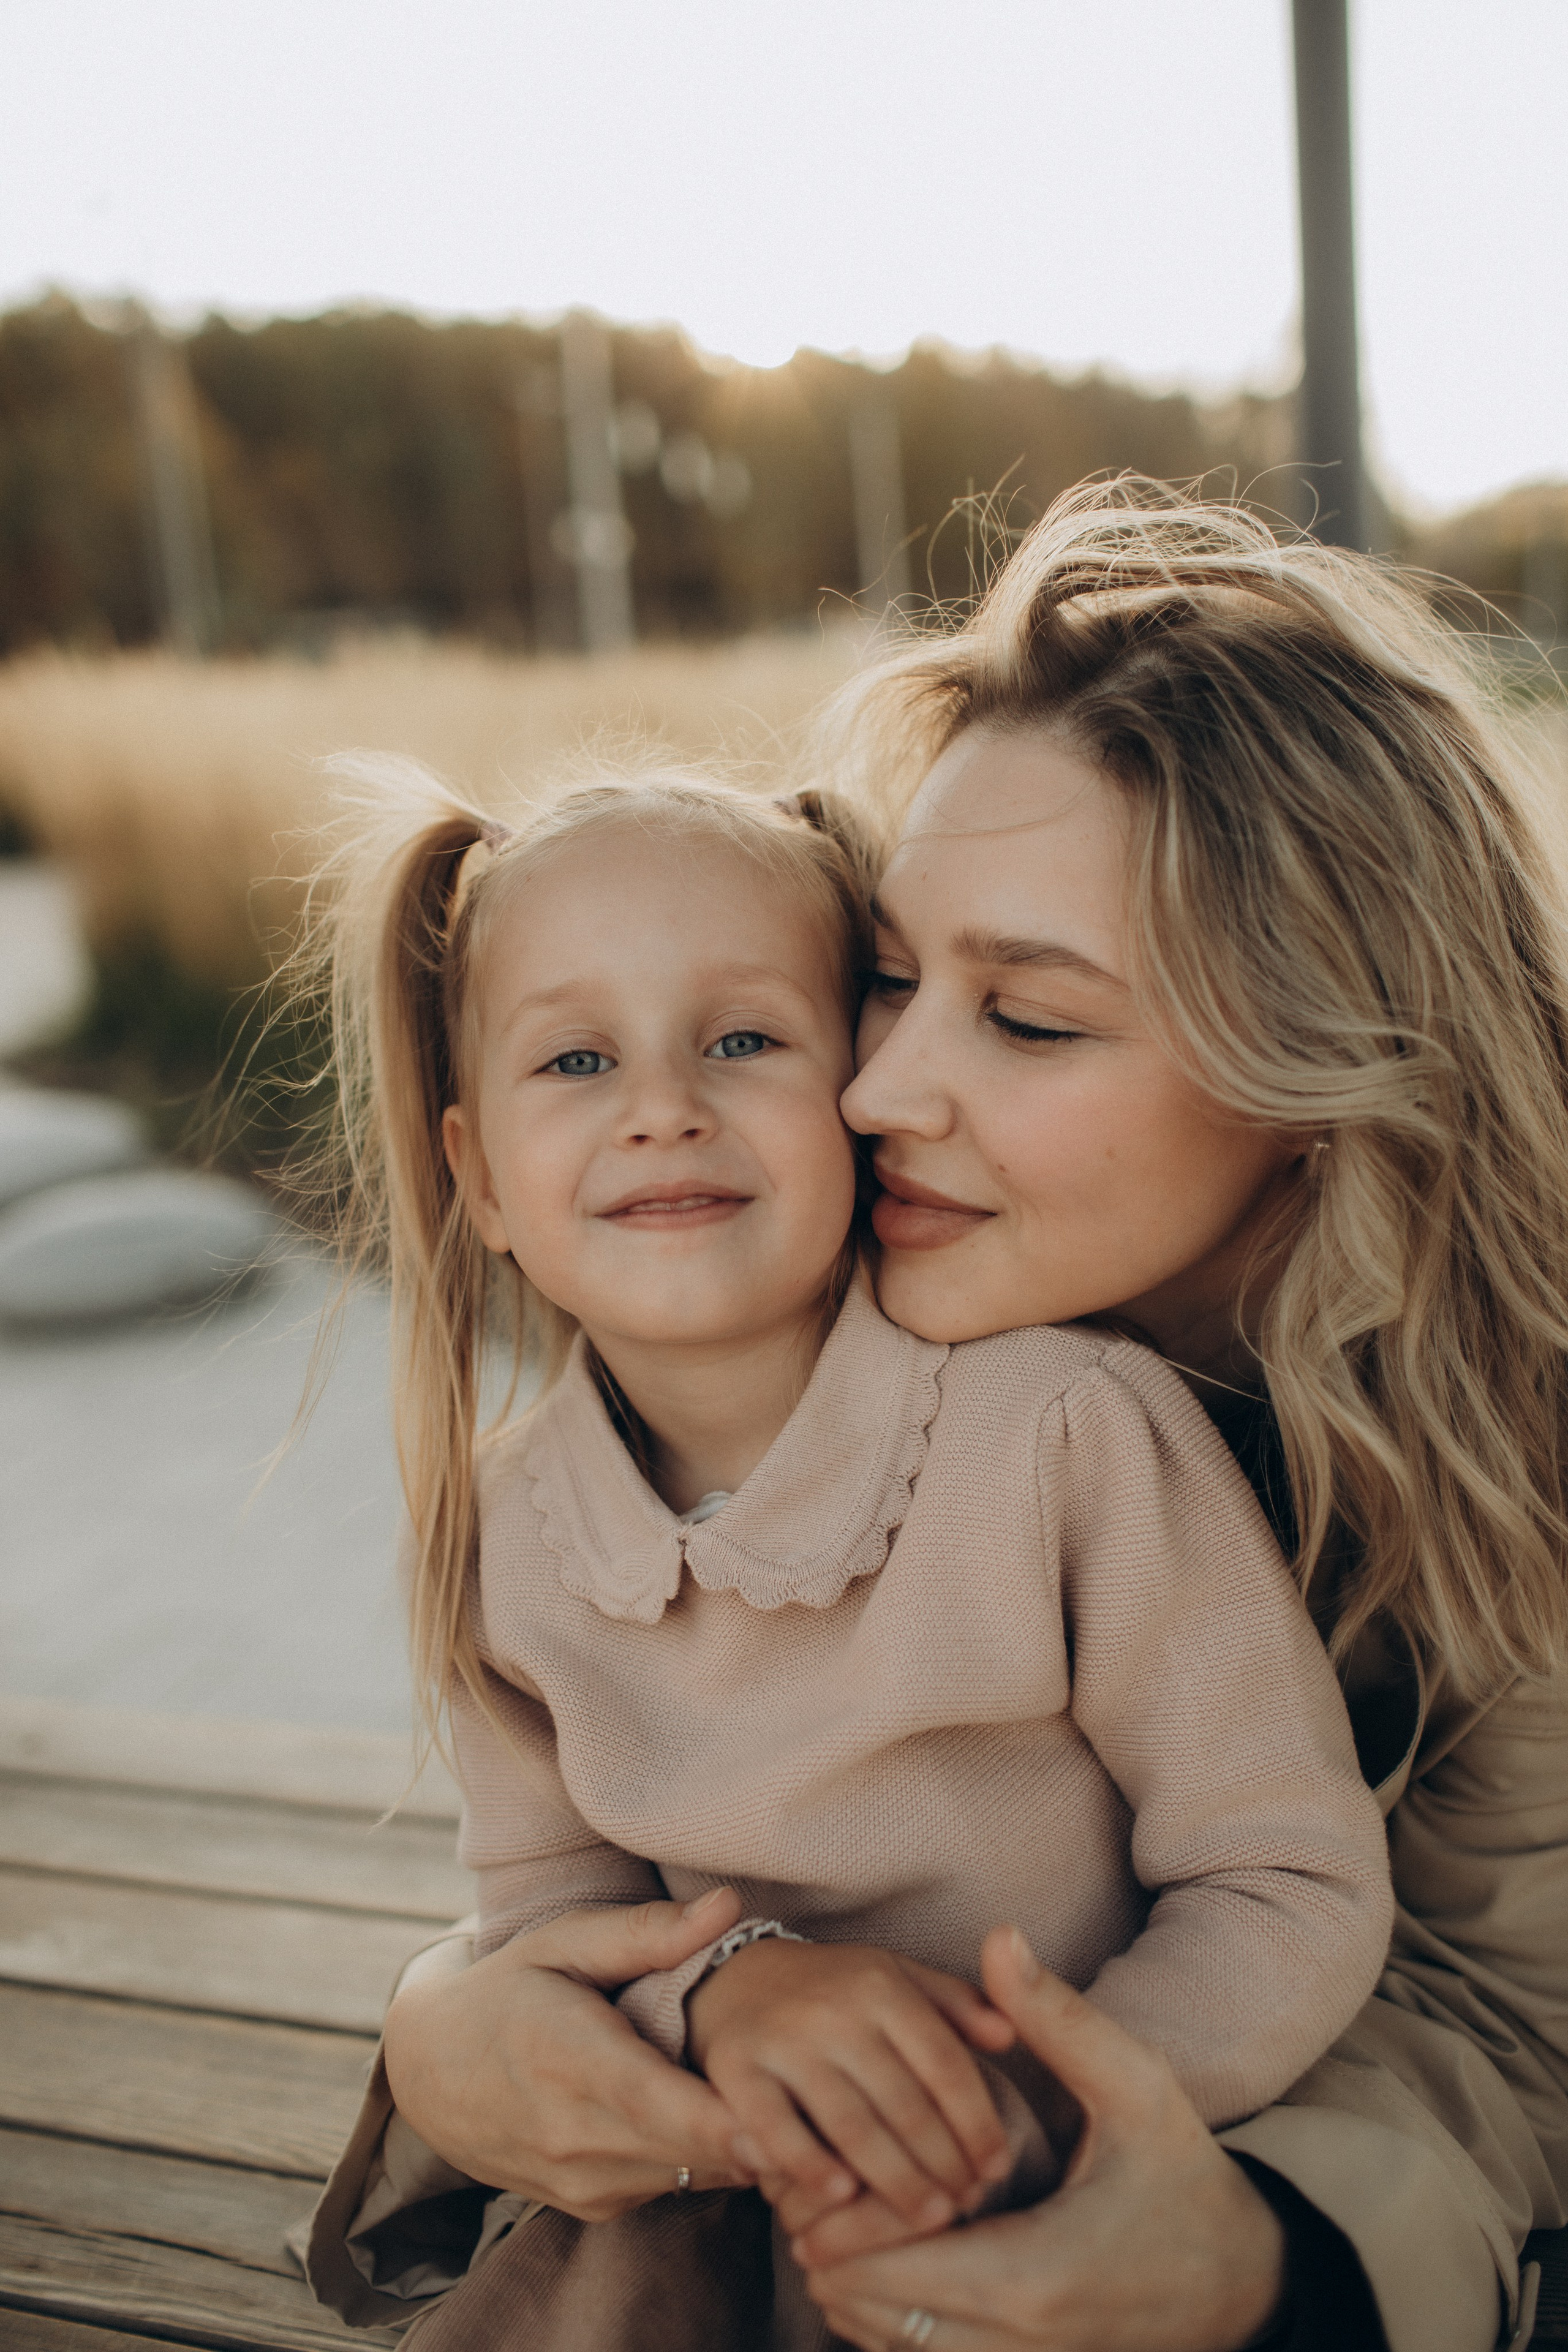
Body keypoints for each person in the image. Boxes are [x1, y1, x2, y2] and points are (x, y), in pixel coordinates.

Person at [336, 484, 1568, 2352]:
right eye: (892, 981)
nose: (880, 1087)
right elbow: (610, 1848)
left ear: (1323, 1071)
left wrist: (1248, 2256)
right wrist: (456, 2023)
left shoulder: (1469, 1456)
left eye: (1035, 1021)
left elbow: (1512, 2034)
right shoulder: (721, 1421)